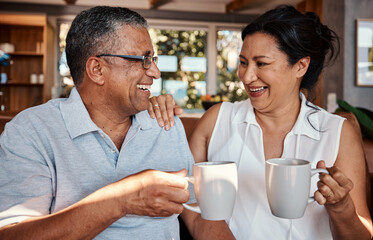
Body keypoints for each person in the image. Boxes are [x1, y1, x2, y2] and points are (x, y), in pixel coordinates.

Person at [0, 6, 234, 240]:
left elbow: (196, 213)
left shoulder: (164, 124)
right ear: (97, 69)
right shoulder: (31, 131)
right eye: (143, 59)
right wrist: (121, 200)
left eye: (153, 59)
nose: (155, 72)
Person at [149, 5, 373, 239]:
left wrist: (341, 208)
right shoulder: (217, 120)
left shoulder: (337, 132)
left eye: (261, 63)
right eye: (244, 62)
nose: (246, 77)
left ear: (301, 66)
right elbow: (187, 198)